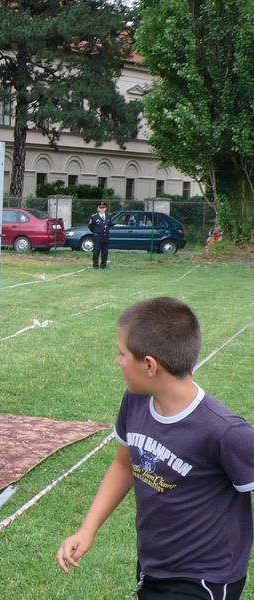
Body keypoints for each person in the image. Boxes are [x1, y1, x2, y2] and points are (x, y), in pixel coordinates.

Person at [56, 297, 254, 599]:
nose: (117, 361)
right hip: (154, 565)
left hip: (204, 580)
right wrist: (88, 529)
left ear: (149, 365)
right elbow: (124, 464)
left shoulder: (225, 431)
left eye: (122, 353)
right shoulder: (135, 401)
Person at [88, 202, 113, 269]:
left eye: (103, 207)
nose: (102, 209)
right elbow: (91, 227)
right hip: (97, 237)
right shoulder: (94, 217)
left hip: (105, 237)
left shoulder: (109, 216)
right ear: (98, 208)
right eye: (100, 208)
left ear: (106, 208)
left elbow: (110, 225)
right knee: (96, 251)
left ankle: (103, 265)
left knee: (105, 252)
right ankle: (96, 265)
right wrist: (96, 232)